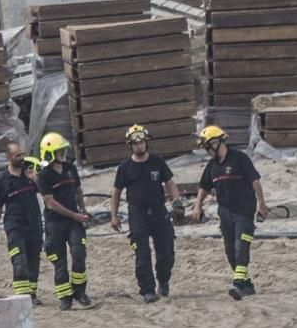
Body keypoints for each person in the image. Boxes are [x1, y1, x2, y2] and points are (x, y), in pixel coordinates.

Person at [192, 125, 270, 300]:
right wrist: (198, 205)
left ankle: (238, 284)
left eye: (207, 146)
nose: (206, 151)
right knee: (230, 252)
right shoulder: (212, 166)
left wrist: (261, 203)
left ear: (216, 142)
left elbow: (255, 180)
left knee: (241, 248)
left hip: (244, 212)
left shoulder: (239, 159)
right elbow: (204, 187)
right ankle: (248, 285)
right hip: (225, 213)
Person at [110, 125, 179, 303]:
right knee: (142, 254)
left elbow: (170, 183)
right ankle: (147, 290)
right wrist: (114, 215)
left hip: (158, 211)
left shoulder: (158, 162)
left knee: (166, 252)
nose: (139, 146)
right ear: (130, 145)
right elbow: (116, 192)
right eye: (135, 143)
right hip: (137, 214)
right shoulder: (125, 168)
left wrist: (176, 202)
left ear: (146, 143)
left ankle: (163, 280)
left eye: (141, 142)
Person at [37, 132, 93, 310]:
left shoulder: (70, 168)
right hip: (55, 223)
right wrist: (75, 216)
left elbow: (78, 191)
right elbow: (50, 203)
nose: (63, 153)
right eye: (59, 150)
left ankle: (80, 291)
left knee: (79, 254)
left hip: (74, 221)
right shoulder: (44, 175)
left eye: (63, 150)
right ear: (49, 153)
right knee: (59, 262)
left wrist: (82, 210)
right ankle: (64, 296)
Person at [0, 142, 43, 305]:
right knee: (19, 261)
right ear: (8, 157)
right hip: (14, 226)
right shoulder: (2, 181)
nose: (21, 158)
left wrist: (35, 179)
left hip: (34, 224)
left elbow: (46, 191)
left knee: (34, 259)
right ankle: (22, 298)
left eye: (22, 154)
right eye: (17, 155)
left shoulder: (30, 170)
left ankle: (32, 295)